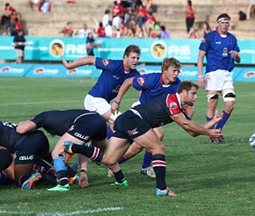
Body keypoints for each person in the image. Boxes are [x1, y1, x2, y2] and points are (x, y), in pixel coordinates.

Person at [64, 81, 222, 197]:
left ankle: (73, 147)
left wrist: (212, 124)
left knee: (109, 160)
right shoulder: (172, 100)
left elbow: (192, 132)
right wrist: (209, 133)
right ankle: (161, 188)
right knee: (157, 148)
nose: (195, 97)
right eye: (193, 93)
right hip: (133, 119)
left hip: (126, 120)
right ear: (183, 92)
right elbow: (186, 123)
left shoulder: (178, 107)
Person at [111, 57, 182, 178]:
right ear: (165, 70)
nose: (176, 74)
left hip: (154, 116)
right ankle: (113, 162)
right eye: (174, 70)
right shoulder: (151, 79)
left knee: (138, 146)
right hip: (139, 112)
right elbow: (128, 81)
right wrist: (117, 101)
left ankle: (118, 164)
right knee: (157, 136)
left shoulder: (177, 85)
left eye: (178, 71)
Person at [16, 109, 108, 191]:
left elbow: (21, 129)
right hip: (99, 121)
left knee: (57, 152)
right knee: (107, 155)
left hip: (86, 121)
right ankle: (118, 172)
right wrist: (83, 171)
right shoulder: (63, 120)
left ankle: (63, 184)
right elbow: (82, 148)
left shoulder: (42, 117)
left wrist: (22, 123)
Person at [61, 44, 141, 126]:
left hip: (104, 103)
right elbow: (91, 59)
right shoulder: (113, 65)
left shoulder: (135, 74)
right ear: (125, 57)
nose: (136, 61)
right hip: (94, 100)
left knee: (110, 129)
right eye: (133, 57)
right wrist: (70, 66)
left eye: (138, 58)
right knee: (122, 121)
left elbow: (142, 91)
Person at [0, 113, 51, 186]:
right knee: (45, 156)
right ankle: (54, 169)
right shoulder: (1, 126)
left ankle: (46, 176)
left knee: (21, 181)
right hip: (39, 137)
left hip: (26, 143)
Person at [197, 13, 241, 144]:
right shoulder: (209, 37)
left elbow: (238, 59)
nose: (225, 25)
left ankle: (218, 131)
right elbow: (200, 57)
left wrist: (236, 55)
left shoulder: (232, 38)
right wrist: (200, 75)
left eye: (227, 22)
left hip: (227, 75)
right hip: (213, 75)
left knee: (230, 105)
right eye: (222, 22)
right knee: (212, 104)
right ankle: (211, 134)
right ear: (218, 23)